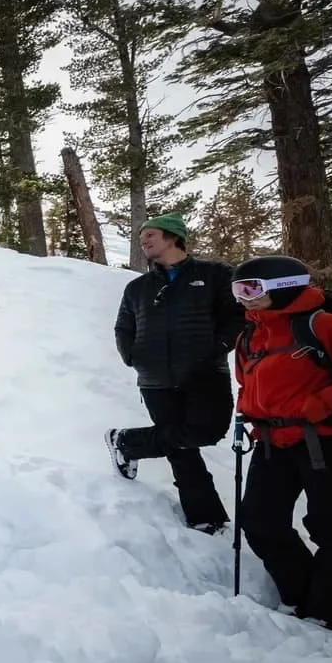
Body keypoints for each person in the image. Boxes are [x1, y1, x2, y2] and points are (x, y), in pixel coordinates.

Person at [230, 255, 332, 633]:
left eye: (251, 288)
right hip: (270, 440)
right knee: (260, 521)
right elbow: (247, 382)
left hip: (328, 442)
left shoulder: (324, 325)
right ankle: (301, 593)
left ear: (282, 287)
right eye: (238, 290)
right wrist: (249, 409)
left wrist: (315, 407)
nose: (243, 298)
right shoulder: (249, 334)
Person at [107, 214, 245, 533]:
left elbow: (238, 316)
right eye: (142, 238)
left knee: (207, 431)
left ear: (173, 237)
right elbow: (123, 326)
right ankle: (204, 516)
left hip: (205, 374)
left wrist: (218, 346)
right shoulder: (138, 287)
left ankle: (126, 441)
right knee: (181, 449)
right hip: (155, 380)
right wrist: (132, 356)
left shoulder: (215, 275)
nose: (144, 241)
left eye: (151, 235)